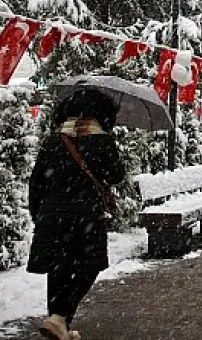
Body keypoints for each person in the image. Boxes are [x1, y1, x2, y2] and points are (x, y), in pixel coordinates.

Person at [28, 88, 126, 340]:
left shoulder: (54, 141)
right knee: (88, 267)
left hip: (52, 215)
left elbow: (36, 182)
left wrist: (37, 213)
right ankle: (60, 318)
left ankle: (58, 323)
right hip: (86, 216)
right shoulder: (102, 141)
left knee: (59, 268)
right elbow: (117, 176)